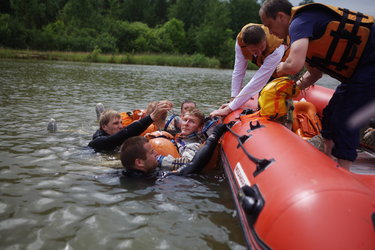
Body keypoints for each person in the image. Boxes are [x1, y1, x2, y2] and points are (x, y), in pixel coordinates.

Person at [259, 0, 375, 169]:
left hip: (369, 66)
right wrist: (293, 89)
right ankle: (327, 158)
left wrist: (282, 66)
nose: (269, 32)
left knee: (346, 118)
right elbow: (314, 74)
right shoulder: (305, 29)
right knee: (330, 114)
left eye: (269, 25)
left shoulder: (298, 23)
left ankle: (344, 169)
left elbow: (294, 65)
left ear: (281, 17)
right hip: (359, 71)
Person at [210, 23, 286, 118]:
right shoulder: (240, 43)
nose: (259, 53)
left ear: (265, 39)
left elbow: (258, 82)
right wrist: (233, 100)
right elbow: (239, 71)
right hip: (270, 70)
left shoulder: (277, 49)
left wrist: (229, 108)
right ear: (246, 46)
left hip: (288, 68)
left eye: (262, 48)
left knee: (275, 101)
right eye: (254, 51)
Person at [119, 123, 228, 179]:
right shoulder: (156, 178)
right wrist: (215, 135)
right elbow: (193, 165)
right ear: (139, 162)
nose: (156, 153)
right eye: (152, 152)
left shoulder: (120, 174)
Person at [88, 101, 172, 152]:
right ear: (104, 127)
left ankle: (102, 116)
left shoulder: (120, 130)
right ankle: (101, 116)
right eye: (116, 123)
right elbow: (123, 135)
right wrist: (151, 117)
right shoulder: (98, 141)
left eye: (121, 122)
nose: (121, 126)